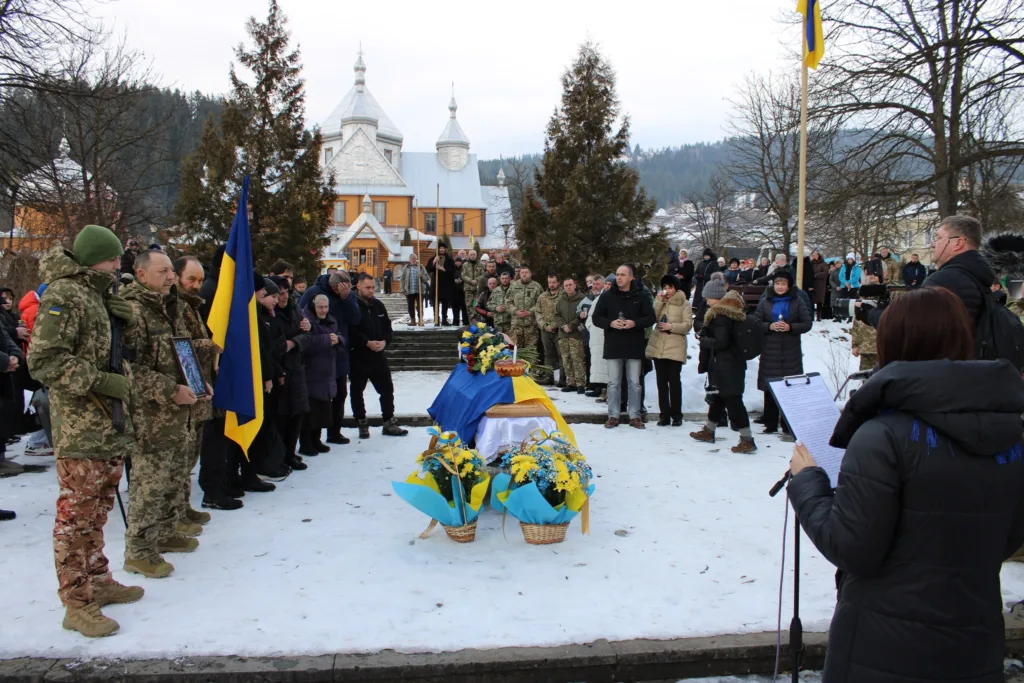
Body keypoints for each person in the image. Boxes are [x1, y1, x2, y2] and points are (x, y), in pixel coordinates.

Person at [787, 286, 1024, 683]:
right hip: (974, 643)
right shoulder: (1010, 434)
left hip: (884, 646)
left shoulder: (883, 435)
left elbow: (852, 547)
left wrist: (808, 481)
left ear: (893, 341)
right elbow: (1007, 537)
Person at [28, 226, 143, 637]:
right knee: (75, 517)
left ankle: (98, 580)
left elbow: (103, 349)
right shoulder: (64, 295)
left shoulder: (96, 294)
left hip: (107, 423)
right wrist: (100, 381)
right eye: (112, 259)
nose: (117, 265)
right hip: (80, 426)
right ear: (93, 258)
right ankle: (76, 603)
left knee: (97, 511)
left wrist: (123, 323)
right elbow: (43, 360)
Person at [122, 249, 204, 578]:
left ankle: (167, 532)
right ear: (142, 275)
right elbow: (132, 368)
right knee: (149, 484)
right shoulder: (134, 310)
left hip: (178, 412)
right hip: (151, 415)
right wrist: (171, 390)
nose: (171, 276)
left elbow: (180, 352)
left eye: (172, 270)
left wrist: (196, 383)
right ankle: (139, 551)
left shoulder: (168, 307)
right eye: (163, 271)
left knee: (174, 475)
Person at [172, 256, 228, 517]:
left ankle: (183, 508)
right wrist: (212, 345)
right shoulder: (175, 306)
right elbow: (177, 345)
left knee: (189, 457)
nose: (196, 285)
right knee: (179, 460)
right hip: (182, 391)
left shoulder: (192, 305)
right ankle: (176, 513)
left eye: (200, 280)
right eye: (191, 279)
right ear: (177, 277)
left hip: (198, 386)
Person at [689, 288, 756, 452]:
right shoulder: (735, 314)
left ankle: (747, 439)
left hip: (726, 366)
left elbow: (721, 342)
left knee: (734, 401)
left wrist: (703, 340)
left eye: (708, 297)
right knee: (717, 397)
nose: (706, 301)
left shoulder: (721, 316)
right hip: (731, 364)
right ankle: (709, 430)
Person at [592, 265, 656, 429]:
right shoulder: (607, 296)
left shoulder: (641, 295)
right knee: (613, 383)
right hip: (614, 345)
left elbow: (651, 318)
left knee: (634, 382)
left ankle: (635, 415)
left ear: (631, 277)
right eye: (618, 274)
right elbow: (596, 318)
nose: (619, 277)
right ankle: (613, 415)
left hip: (634, 345)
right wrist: (610, 323)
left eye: (623, 275)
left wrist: (635, 323)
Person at [299, 271, 359, 445]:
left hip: (339, 351)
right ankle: (312, 438)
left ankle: (334, 432)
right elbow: (302, 316)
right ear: (334, 286)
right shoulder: (314, 292)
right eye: (342, 288)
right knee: (317, 397)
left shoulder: (348, 295)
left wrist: (346, 299)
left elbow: (355, 319)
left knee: (340, 394)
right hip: (317, 355)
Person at [349, 274, 407, 438]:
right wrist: (366, 342)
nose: (371, 290)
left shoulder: (378, 305)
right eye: (367, 287)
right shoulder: (352, 305)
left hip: (378, 356)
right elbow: (351, 330)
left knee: (387, 389)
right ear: (358, 286)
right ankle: (361, 422)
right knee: (357, 391)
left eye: (373, 287)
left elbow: (388, 328)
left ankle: (389, 421)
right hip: (358, 356)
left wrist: (384, 342)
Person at [755, 271, 811, 438]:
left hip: (790, 351)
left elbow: (807, 323)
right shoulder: (765, 301)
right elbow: (756, 322)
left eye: (783, 284)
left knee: (790, 387)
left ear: (789, 286)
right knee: (770, 387)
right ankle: (770, 423)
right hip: (770, 350)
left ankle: (788, 425)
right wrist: (769, 326)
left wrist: (790, 327)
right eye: (777, 284)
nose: (780, 287)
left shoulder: (797, 301)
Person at [269, 275, 310, 471]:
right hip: (279, 370)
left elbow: (307, 335)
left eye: (286, 292)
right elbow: (274, 344)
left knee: (296, 414)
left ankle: (290, 454)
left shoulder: (294, 308)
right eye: (280, 293)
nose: (284, 297)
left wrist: (294, 342)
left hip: (296, 367)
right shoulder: (269, 314)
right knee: (280, 417)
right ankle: (278, 457)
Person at [646, 274, 693, 427]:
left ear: (676, 288)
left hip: (675, 347)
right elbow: (652, 318)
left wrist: (671, 326)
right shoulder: (661, 301)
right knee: (661, 383)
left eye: (670, 287)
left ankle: (676, 415)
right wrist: (659, 301)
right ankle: (664, 415)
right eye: (665, 287)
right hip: (659, 346)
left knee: (674, 383)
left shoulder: (684, 304)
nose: (667, 290)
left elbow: (687, 325)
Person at [300, 294, 339, 454]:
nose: (324, 310)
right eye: (320, 307)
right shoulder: (305, 320)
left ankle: (316, 439)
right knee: (310, 411)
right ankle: (306, 442)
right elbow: (306, 342)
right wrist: (328, 340)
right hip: (310, 371)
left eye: (326, 307)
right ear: (313, 306)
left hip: (326, 371)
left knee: (322, 410)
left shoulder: (331, 320)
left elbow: (337, 335)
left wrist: (338, 340)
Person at [553, 276, 586, 393]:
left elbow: (582, 315)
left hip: (576, 334)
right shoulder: (561, 300)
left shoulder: (582, 299)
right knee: (566, 359)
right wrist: (563, 325)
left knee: (577, 358)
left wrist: (571, 326)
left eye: (570, 285)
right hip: (563, 334)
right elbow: (556, 315)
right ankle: (571, 383)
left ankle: (580, 383)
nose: (568, 287)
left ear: (575, 285)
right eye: (566, 285)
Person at [585, 275, 613, 403]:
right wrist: (591, 327)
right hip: (596, 337)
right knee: (599, 365)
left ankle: (608, 392)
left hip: (607, 336)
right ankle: (601, 390)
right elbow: (591, 316)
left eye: (609, 284)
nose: (607, 286)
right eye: (606, 284)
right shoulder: (599, 298)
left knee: (608, 366)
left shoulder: (614, 298)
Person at [534, 274, 562, 386]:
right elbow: (537, 312)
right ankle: (548, 377)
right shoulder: (542, 296)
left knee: (561, 354)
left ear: (558, 282)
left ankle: (563, 378)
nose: (551, 285)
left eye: (554, 282)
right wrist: (544, 325)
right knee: (548, 354)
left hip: (559, 329)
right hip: (545, 330)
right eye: (550, 282)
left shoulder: (563, 295)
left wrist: (554, 325)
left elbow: (564, 313)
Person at [509, 265, 543, 357]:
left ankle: (531, 367)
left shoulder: (537, 286)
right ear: (519, 274)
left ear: (530, 274)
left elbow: (541, 303)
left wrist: (530, 311)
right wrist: (515, 311)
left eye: (526, 272)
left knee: (531, 352)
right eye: (522, 273)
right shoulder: (514, 286)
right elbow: (508, 301)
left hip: (531, 325)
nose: (524, 274)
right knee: (514, 350)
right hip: (516, 325)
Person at [427, 245, 455, 325]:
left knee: (445, 303)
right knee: (435, 303)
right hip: (436, 285)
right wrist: (433, 262)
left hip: (445, 285)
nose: (442, 250)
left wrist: (441, 268)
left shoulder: (449, 260)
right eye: (440, 248)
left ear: (445, 249)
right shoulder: (433, 259)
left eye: (443, 248)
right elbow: (428, 269)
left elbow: (452, 270)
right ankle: (436, 319)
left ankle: (444, 320)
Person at [400, 253, 430, 325]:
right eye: (412, 259)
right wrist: (402, 289)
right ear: (409, 259)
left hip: (419, 290)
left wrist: (422, 276)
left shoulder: (421, 267)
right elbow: (402, 279)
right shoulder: (406, 267)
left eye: (414, 258)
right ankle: (413, 321)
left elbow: (427, 278)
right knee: (410, 306)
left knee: (420, 306)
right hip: (409, 290)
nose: (413, 260)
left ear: (416, 259)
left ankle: (420, 320)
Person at [692, 248, 718, 313]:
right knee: (698, 298)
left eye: (707, 256)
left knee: (706, 299)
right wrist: (698, 276)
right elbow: (696, 272)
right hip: (700, 284)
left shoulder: (714, 263)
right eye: (705, 256)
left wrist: (704, 276)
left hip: (708, 283)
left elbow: (715, 273)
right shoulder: (701, 263)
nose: (706, 257)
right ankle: (697, 309)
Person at [461, 249, 484, 322]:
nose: (473, 256)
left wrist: (477, 280)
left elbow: (483, 274)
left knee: (478, 304)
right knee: (469, 304)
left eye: (474, 254)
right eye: (471, 254)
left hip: (478, 288)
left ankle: (479, 321)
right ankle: (471, 321)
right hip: (468, 287)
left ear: (476, 255)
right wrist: (470, 280)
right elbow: (463, 275)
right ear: (468, 255)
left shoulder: (481, 264)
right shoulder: (465, 265)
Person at [809, 250, 830, 321]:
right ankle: (811, 316)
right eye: (813, 255)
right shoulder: (811, 264)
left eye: (816, 255)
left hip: (820, 284)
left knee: (819, 301)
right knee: (811, 300)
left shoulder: (823, 264)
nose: (814, 256)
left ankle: (819, 316)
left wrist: (816, 275)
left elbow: (826, 272)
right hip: (812, 284)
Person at [452, 256, 468, 327]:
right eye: (456, 261)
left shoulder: (464, 269)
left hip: (463, 290)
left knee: (464, 306)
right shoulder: (452, 269)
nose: (458, 263)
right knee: (455, 307)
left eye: (459, 261)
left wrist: (462, 280)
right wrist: (454, 280)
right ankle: (456, 321)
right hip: (454, 290)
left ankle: (465, 321)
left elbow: (466, 277)